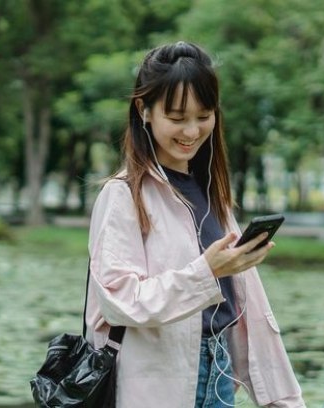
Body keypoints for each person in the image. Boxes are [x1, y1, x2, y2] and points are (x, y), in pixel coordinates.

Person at [84, 41, 306, 407]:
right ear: (144, 110)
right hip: (153, 386)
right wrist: (206, 272)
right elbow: (119, 301)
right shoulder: (123, 195)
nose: (191, 131)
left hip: (218, 378)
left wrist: (285, 401)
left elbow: (251, 315)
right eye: (176, 117)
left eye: (204, 116)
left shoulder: (212, 196)